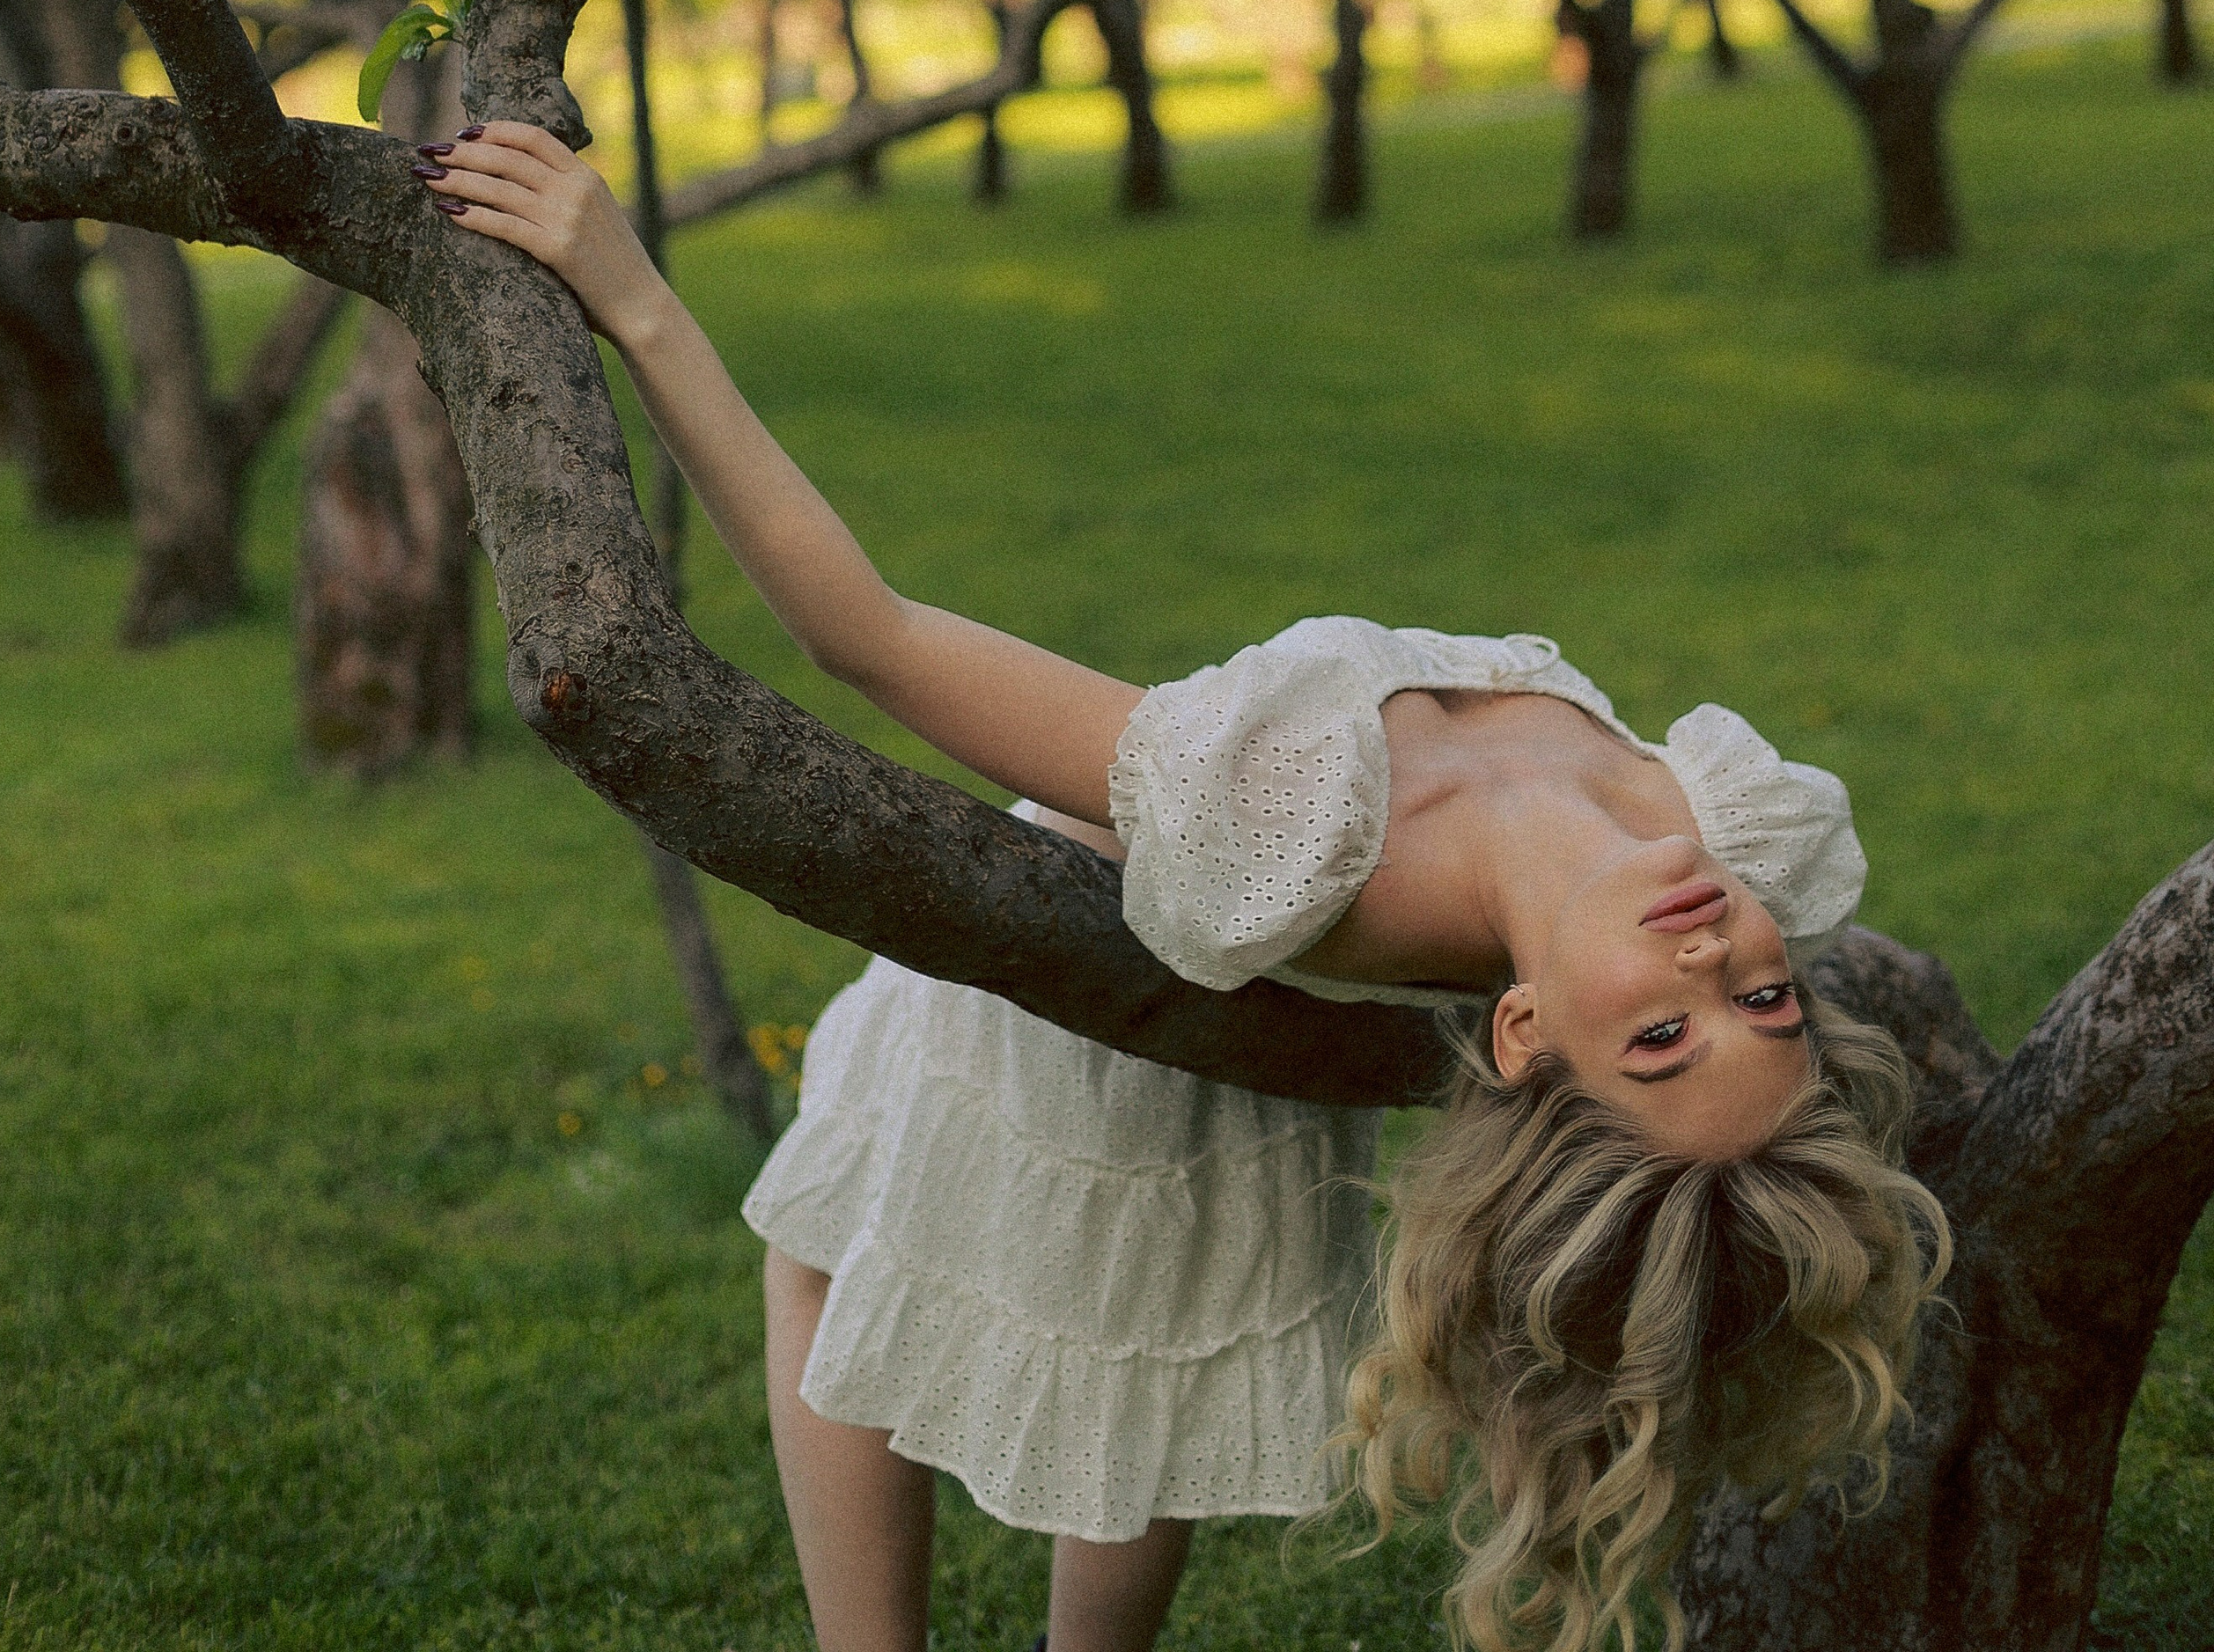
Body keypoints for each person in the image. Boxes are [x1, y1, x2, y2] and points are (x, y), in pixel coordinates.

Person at [414, 122, 1951, 1652]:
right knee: (1029, 1373)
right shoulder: (1741, 827)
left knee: (920, 1317)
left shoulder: (1307, 836)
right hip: (1197, 997)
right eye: (1762, 1002)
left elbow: (869, 636)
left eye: (1662, 1043)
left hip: (1071, 1009)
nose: (1711, 961)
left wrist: (633, 294)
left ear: (1530, 1034)